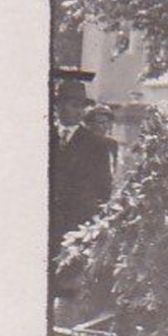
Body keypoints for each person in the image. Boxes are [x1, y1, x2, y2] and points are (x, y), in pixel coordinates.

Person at [49, 78, 114, 262]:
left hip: (76, 226)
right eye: (73, 105)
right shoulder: (44, 137)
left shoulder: (96, 144)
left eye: (81, 107)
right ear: (59, 106)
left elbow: (104, 188)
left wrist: (91, 226)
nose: (78, 111)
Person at [84, 102, 121, 183]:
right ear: (90, 124)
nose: (105, 126)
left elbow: (114, 167)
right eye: (100, 122)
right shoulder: (83, 142)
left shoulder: (112, 144)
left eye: (108, 122)